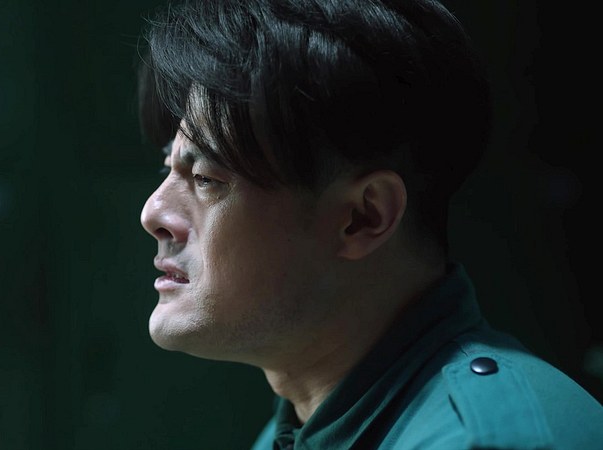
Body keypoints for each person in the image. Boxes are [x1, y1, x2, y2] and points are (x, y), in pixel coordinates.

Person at [135, 0, 603, 448]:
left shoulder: (482, 443)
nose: (153, 213)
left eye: (205, 178)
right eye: (166, 168)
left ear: (363, 218)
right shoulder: (300, 426)